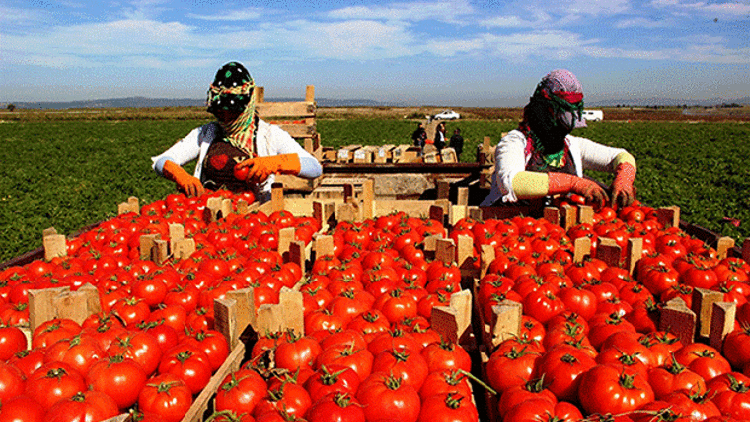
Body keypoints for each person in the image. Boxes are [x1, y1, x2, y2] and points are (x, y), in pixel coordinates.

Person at [151, 62, 322, 202]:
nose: (225, 118)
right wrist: (179, 174)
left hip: (253, 215)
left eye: (232, 112)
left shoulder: (269, 135)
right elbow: (162, 161)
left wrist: (275, 163)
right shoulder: (206, 134)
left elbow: (314, 167)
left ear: (247, 106)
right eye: (221, 112)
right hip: (211, 213)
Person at [481, 69, 636, 209]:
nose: (560, 132)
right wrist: (573, 183)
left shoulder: (572, 146)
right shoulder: (514, 142)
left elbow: (621, 155)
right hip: (511, 225)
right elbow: (512, 183)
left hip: (555, 233)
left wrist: (624, 178)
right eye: (557, 125)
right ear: (542, 116)